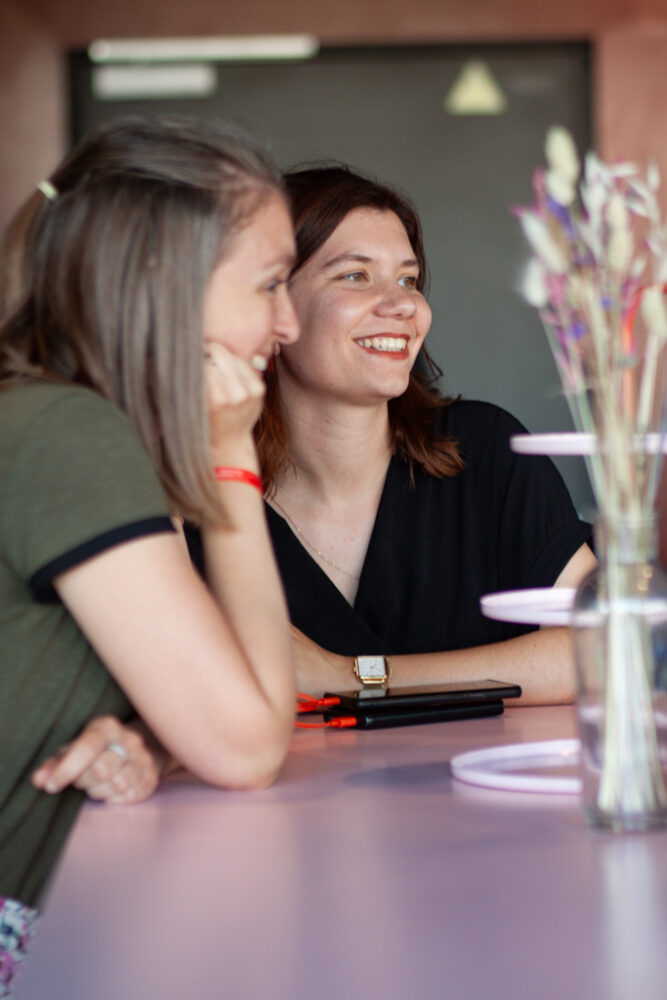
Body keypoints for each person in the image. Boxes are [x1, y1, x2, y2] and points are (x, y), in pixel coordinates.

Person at [0, 116, 299, 993]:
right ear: (169, 277)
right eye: (270, 283)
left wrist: (149, 740)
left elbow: (214, 710)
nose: (285, 322)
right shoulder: (68, 434)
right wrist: (234, 461)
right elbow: (248, 743)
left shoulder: (75, 421)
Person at [254, 164, 596, 704]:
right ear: (272, 304)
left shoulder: (486, 453)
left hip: (486, 789)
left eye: (408, 279)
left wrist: (348, 676)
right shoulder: (208, 499)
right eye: (355, 275)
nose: (404, 305)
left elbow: (607, 653)